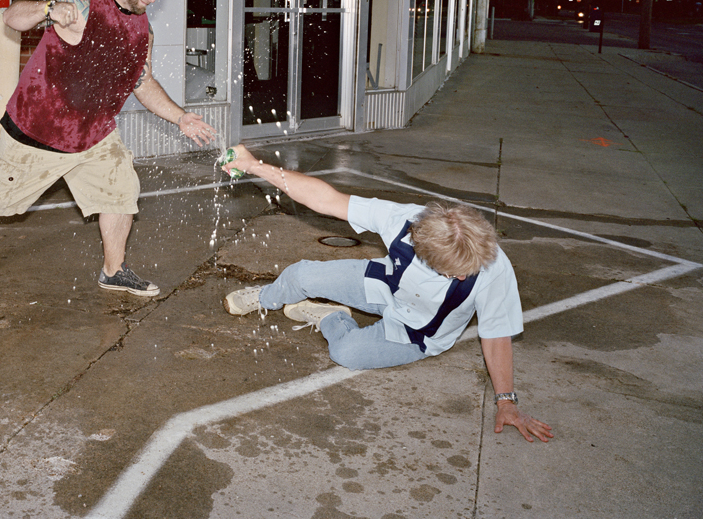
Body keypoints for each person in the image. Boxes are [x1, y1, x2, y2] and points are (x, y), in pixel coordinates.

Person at [221, 144, 553, 443]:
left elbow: (496, 336)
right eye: (455, 273)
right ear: (424, 252)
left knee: (346, 353)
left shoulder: (493, 266)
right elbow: (324, 199)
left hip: (417, 332)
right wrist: (253, 165)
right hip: (385, 286)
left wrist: (506, 402)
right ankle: (265, 298)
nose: (465, 276)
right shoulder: (403, 221)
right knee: (300, 275)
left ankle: (329, 316)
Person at [0, 0, 216, 298]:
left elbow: (142, 82)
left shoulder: (142, 29)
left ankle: (113, 271)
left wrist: (180, 117)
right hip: (37, 132)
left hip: (95, 136)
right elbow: (12, 16)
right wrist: (48, 9)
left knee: (121, 193)